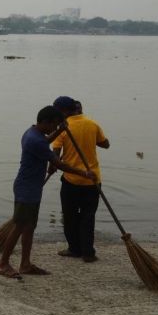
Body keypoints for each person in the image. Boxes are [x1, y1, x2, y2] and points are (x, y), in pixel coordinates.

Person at [0, 106, 96, 279]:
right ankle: (3, 264)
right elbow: (60, 164)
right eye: (55, 125)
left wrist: (60, 131)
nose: (55, 129)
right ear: (46, 122)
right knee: (19, 226)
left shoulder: (32, 133)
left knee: (29, 227)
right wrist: (84, 173)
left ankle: (25, 264)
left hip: (32, 188)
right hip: (26, 189)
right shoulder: (36, 141)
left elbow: (47, 141)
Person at [52, 96, 110, 263]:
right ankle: (88, 253)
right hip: (93, 180)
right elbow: (105, 144)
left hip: (72, 180)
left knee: (70, 216)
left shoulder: (62, 128)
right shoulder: (92, 124)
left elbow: (55, 155)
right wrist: (89, 140)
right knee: (88, 216)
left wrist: (55, 164)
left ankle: (74, 249)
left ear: (64, 111)